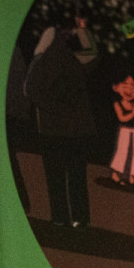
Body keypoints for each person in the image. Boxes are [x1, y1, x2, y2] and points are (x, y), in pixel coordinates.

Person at [22, 18, 98, 228]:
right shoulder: (75, 60)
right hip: (77, 129)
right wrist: (83, 31)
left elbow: (30, 90)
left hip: (51, 129)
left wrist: (54, 110)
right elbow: (93, 54)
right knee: (77, 176)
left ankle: (59, 217)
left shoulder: (40, 61)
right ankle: (80, 218)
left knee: (55, 176)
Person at [109, 74, 134, 185]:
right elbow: (122, 118)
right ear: (116, 88)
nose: (129, 88)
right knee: (122, 152)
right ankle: (115, 174)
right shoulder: (118, 103)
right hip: (124, 130)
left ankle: (132, 177)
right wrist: (133, 113)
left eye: (133, 85)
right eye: (125, 84)